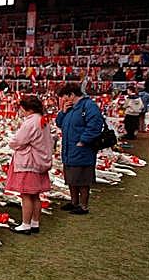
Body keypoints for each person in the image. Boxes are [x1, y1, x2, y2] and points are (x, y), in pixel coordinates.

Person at [6, 96, 54, 234]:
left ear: (29, 109)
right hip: (39, 161)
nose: (21, 112)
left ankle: (25, 224)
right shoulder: (42, 120)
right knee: (35, 195)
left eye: (23, 109)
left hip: (29, 162)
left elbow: (18, 140)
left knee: (26, 194)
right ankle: (35, 222)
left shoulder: (30, 122)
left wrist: (12, 143)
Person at [56, 83, 104, 215]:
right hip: (69, 148)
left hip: (82, 149)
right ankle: (74, 202)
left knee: (82, 178)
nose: (63, 100)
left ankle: (83, 206)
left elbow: (95, 125)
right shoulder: (71, 108)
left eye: (65, 97)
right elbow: (59, 123)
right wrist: (63, 112)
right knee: (71, 177)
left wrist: (83, 141)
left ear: (72, 95)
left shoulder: (89, 106)